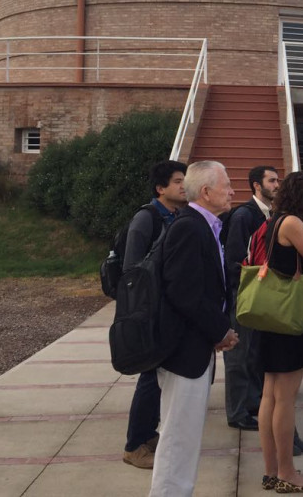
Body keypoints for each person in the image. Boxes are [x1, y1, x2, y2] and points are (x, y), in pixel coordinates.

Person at [150, 161, 239, 497]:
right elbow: (183, 292)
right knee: (178, 437)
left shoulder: (203, 225)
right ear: (205, 192)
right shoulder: (190, 227)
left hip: (193, 348)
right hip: (184, 351)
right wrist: (220, 331)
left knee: (185, 435)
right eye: (227, 185)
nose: (232, 191)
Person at [257, 171, 303, 493]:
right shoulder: (294, 224)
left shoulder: (274, 221)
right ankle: (288, 472)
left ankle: (271, 470)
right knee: (285, 398)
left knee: (270, 395)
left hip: (272, 317)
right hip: (291, 319)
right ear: (299, 194)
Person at [122, 160, 187, 470]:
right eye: (178, 182)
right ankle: (134, 445)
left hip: (167, 310)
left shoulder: (175, 217)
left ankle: (147, 436)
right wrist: (141, 313)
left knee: (158, 377)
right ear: (161, 189)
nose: (183, 186)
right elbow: (131, 272)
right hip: (148, 311)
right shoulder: (146, 219)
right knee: (149, 376)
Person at [222, 165, 278, 432]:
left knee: (255, 352)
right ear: (257, 185)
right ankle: (237, 412)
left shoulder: (269, 214)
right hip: (244, 293)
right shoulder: (244, 215)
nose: (277, 185)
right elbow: (234, 259)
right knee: (239, 355)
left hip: (259, 293)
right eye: (272, 180)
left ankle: (253, 401)